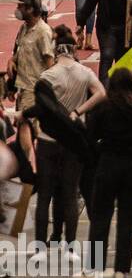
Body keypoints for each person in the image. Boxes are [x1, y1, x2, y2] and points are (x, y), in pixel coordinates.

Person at [34, 26, 104, 244]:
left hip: (48, 139)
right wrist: (78, 111)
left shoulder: (47, 75)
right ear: (74, 50)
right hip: (74, 140)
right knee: (70, 193)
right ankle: (70, 242)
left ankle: (40, 243)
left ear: (56, 50)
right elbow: (101, 93)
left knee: (45, 195)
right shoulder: (85, 73)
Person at [85, 70, 132, 278]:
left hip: (108, 162)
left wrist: (98, 158)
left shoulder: (104, 107)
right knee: (127, 218)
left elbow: (91, 136)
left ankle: (96, 265)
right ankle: (122, 268)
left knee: (100, 218)